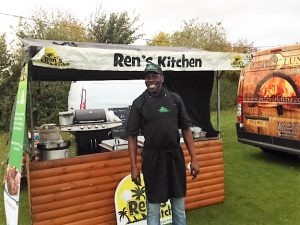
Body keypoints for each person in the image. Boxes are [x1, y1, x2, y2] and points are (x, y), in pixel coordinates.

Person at [126, 62, 200, 225]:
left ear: (162, 78)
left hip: (174, 156)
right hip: (152, 158)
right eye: (147, 77)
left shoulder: (175, 99)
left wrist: (194, 158)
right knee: (153, 208)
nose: (151, 80)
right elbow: (131, 136)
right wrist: (134, 166)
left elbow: (186, 129)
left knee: (178, 206)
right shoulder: (139, 103)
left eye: (154, 76)